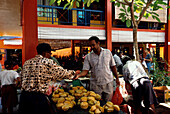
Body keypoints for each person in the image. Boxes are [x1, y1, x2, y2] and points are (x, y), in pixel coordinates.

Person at [19, 43, 76, 114]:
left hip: (24, 97)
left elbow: (21, 79)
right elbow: (61, 73)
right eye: (50, 53)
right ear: (44, 53)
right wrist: (75, 73)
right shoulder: (47, 62)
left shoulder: (26, 63)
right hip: (37, 99)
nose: (50, 55)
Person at [74, 36, 120, 102]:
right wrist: (79, 75)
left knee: (108, 104)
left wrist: (117, 78)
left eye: (93, 45)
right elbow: (85, 71)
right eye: (91, 46)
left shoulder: (107, 52)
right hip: (95, 85)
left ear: (98, 43)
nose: (92, 47)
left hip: (108, 83)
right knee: (96, 104)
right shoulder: (88, 57)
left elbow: (113, 66)